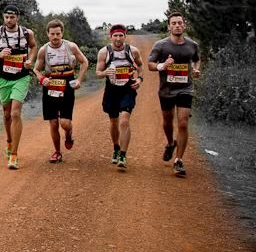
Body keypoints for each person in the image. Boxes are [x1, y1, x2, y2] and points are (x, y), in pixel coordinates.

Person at [0, 5, 38, 170]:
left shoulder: (27, 33)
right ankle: (9, 141)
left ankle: (14, 155)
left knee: (15, 113)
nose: (9, 20)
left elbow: (34, 47)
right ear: (3, 17)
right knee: (7, 114)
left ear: (17, 17)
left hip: (21, 77)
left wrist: (30, 60)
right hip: (3, 78)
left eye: (12, 17)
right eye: (6, 17)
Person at [147, 12, 201, 177]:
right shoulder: (161, 46)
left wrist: (197, 69)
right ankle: (171, 143)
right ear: (169, 26)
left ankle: (178, 161)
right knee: (168, 122)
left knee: (183, 123)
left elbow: (197, 59)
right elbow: (150, 64)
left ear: (184, 26)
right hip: (167, 90)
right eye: (174, 23)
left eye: (180, 23)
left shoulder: (192, 45)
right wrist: (163, 65)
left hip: (186, 88)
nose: (177, 25)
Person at [33, 19, 89, 163]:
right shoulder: (44, 50)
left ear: (62, 33)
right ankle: (57, 152)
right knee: (53, 123)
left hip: (67, 84)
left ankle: (69, 133)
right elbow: (36, 69)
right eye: (52, 34)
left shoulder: (71, 46)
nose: (55, 37)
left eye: (58, 33)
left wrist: (79, 80)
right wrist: (41, 79)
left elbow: (84, 62)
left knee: (64, 123)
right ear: (47, 34)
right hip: (50, 85)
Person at [94, 24, 144, 169]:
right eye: (115, 35)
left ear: (125, 36)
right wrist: (105, 73)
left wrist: (140, 79)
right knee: (114, 122)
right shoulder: (104, 52)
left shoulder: (132, 51)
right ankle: (116, 147)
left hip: (128, 89)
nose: (118, 38)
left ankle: (123, 154)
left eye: (121, 35)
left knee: (124, 121)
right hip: (111, 90)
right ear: (111, 37)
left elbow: (140, 66)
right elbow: (98, 72)